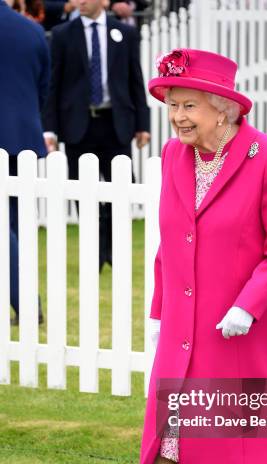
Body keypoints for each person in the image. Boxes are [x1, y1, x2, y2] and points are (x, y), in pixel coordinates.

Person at [107, 48, 267, 464]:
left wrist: (248, 306)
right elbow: (170, 238)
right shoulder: (174, 156)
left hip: (245, 323)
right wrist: (158, 310)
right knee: (165, 422)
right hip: (184, 319)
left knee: (253, 419)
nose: (177, 117)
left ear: (224, 108)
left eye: (188, 105)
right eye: (172, 105)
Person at [42, 0, 151, 271]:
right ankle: (95, 251)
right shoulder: (63, 34)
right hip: (79, 126)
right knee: (83, 193)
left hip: (116, 124)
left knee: (120, 190)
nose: (79, 2)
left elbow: (135, 78)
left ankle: (113, 251)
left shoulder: (124, 33)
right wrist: (50, 128)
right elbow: (53, 85)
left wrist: (143, 123)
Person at [0, 0, 49, 325]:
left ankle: (28, 304)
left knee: (5, 229)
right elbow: (44, 87)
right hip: (24, 140)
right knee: (12, 225)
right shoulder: (32, 30)